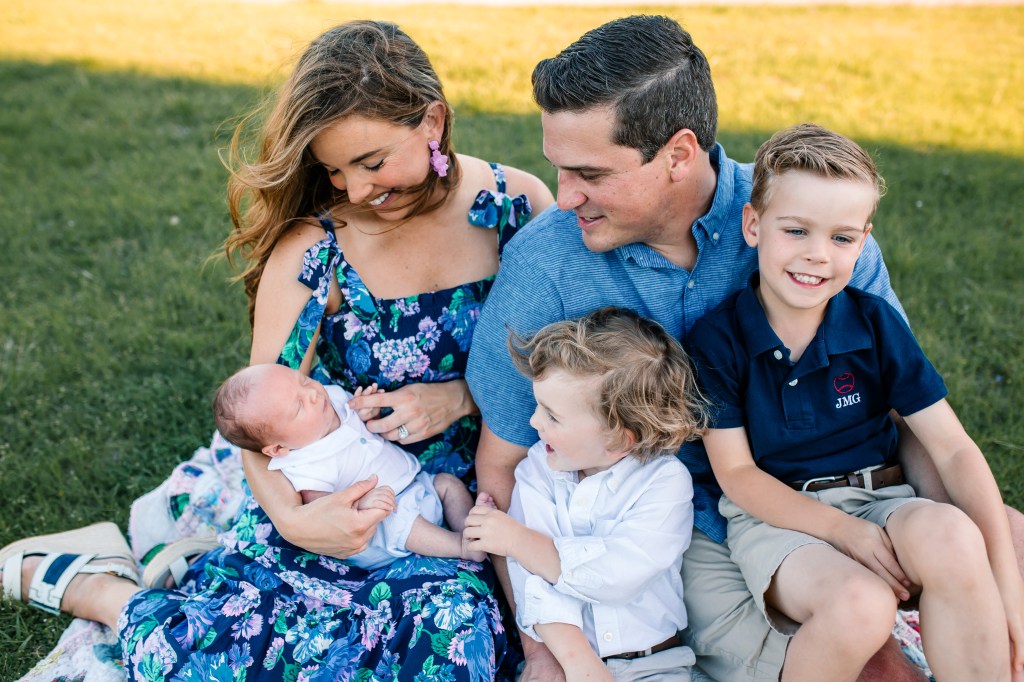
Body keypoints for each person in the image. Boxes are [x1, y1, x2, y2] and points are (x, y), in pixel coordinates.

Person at [465, 13, 1023, 682]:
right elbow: (503, 464)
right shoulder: (546, 264)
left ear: (679, 154)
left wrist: (965, 555)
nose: (564, 198)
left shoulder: (810, 222)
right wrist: (542, 650)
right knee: (876, 657)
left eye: (590, 173)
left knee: (1003, 549)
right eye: (559, 169)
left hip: (851, 491)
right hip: (684, 536)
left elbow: (909, 416)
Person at [0, 19, 552, 681]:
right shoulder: (316, 249)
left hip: (486, 486)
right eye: (334, 170)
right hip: (336, 489)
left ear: (432, 120)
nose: (355, 190)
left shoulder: (517, 207)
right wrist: (296, 522)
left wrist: (462, 397)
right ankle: (102, 591)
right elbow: (262, 421)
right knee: (243, 652)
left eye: (371, 162)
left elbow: (564, 362)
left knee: (452, 638)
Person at [687, 123, 1024, 681]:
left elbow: (953, 449)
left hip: (882, 497)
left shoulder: (874, 324)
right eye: (797, 230)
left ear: (863, 242)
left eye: (841, 239)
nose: (817, 255)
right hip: (779, 519)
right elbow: (738, 475)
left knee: (954, 536)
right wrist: (843, 531)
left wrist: (1007, 586)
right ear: (753, 225)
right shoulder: (717, 341)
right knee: (861, 604)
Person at [465, 307, 709, 681]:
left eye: (552, 416)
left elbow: (617, 574)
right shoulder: (538, 469)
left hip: (655, 664)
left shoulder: (664, 483)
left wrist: (520, 541)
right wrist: (577, 661)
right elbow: (532, 579)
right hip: (566, 662)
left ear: (619, 440)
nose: (534, 422)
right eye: (538, 406)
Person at [213, 363, 485, 566]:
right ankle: (461, 546)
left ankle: (468, 527)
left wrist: (368, 412)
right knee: (403, 524)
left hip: (413, 483)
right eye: (298, 407)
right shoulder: (307, 466)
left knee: (447, 484)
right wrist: (364, 505)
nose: (312, 394)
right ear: (278, 448)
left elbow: (357, 420)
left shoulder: (331, 398)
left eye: (304, 381)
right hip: (382, 524)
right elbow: (328, 513)